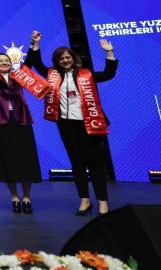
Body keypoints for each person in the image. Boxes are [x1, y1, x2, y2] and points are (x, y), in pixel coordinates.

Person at [25, 30, 117, 216]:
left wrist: (109, 53)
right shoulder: (52, 74)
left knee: (95, 163)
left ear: (73, 59)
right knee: (76, 163)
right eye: (61, 59)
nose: (65, 60)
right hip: (67, 125)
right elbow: (36, 64)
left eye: (67, 57)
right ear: (57, 61)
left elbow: (108, 74)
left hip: (89, 123)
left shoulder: (86, 74)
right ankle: (84, 200)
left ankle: (102, 202)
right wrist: (35, 44)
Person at [0, 52, 51, 214]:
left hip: (22, 120)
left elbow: (29, 62)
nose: (4, 63)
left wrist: (34, 46)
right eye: (0, 61)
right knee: (8, 160)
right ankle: (14, 197)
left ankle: (26, 197)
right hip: (1, 122)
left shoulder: (19, 75)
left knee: (26, 160)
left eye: (7, 60)